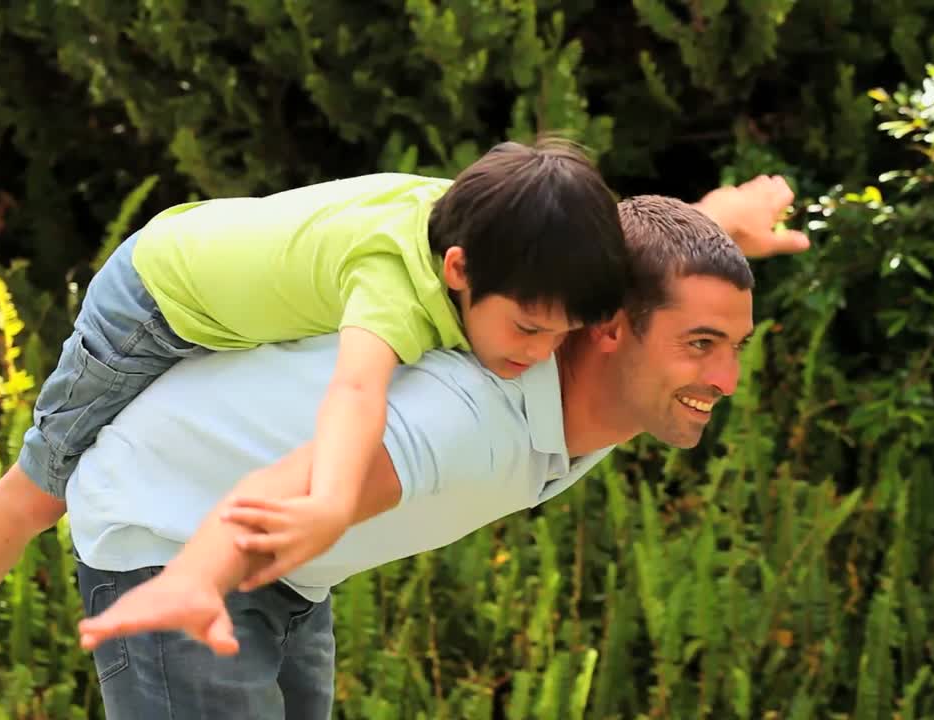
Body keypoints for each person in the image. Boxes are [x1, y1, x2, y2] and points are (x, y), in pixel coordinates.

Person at [0, 138, 632, 718]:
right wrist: (332, 501)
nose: (539, 355)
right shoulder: (391, 282)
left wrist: (728, 220)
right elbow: (354, 394)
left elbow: (637, 236)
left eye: (561, 335)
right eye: (530, 329)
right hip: (154, 301)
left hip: (227, 295)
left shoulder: (506, 231)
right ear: (460, 270)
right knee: (41, 493)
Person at [63, 192, 786, 718]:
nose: (726, 381)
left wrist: (722, 217)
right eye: (701, 346)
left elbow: (651, 261)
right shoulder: (471, 416)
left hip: (291, 576)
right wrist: (195, 578)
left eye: (733, 347)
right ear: (609, 330)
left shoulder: (593, 347)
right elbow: (299, 480)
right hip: (172, 534)